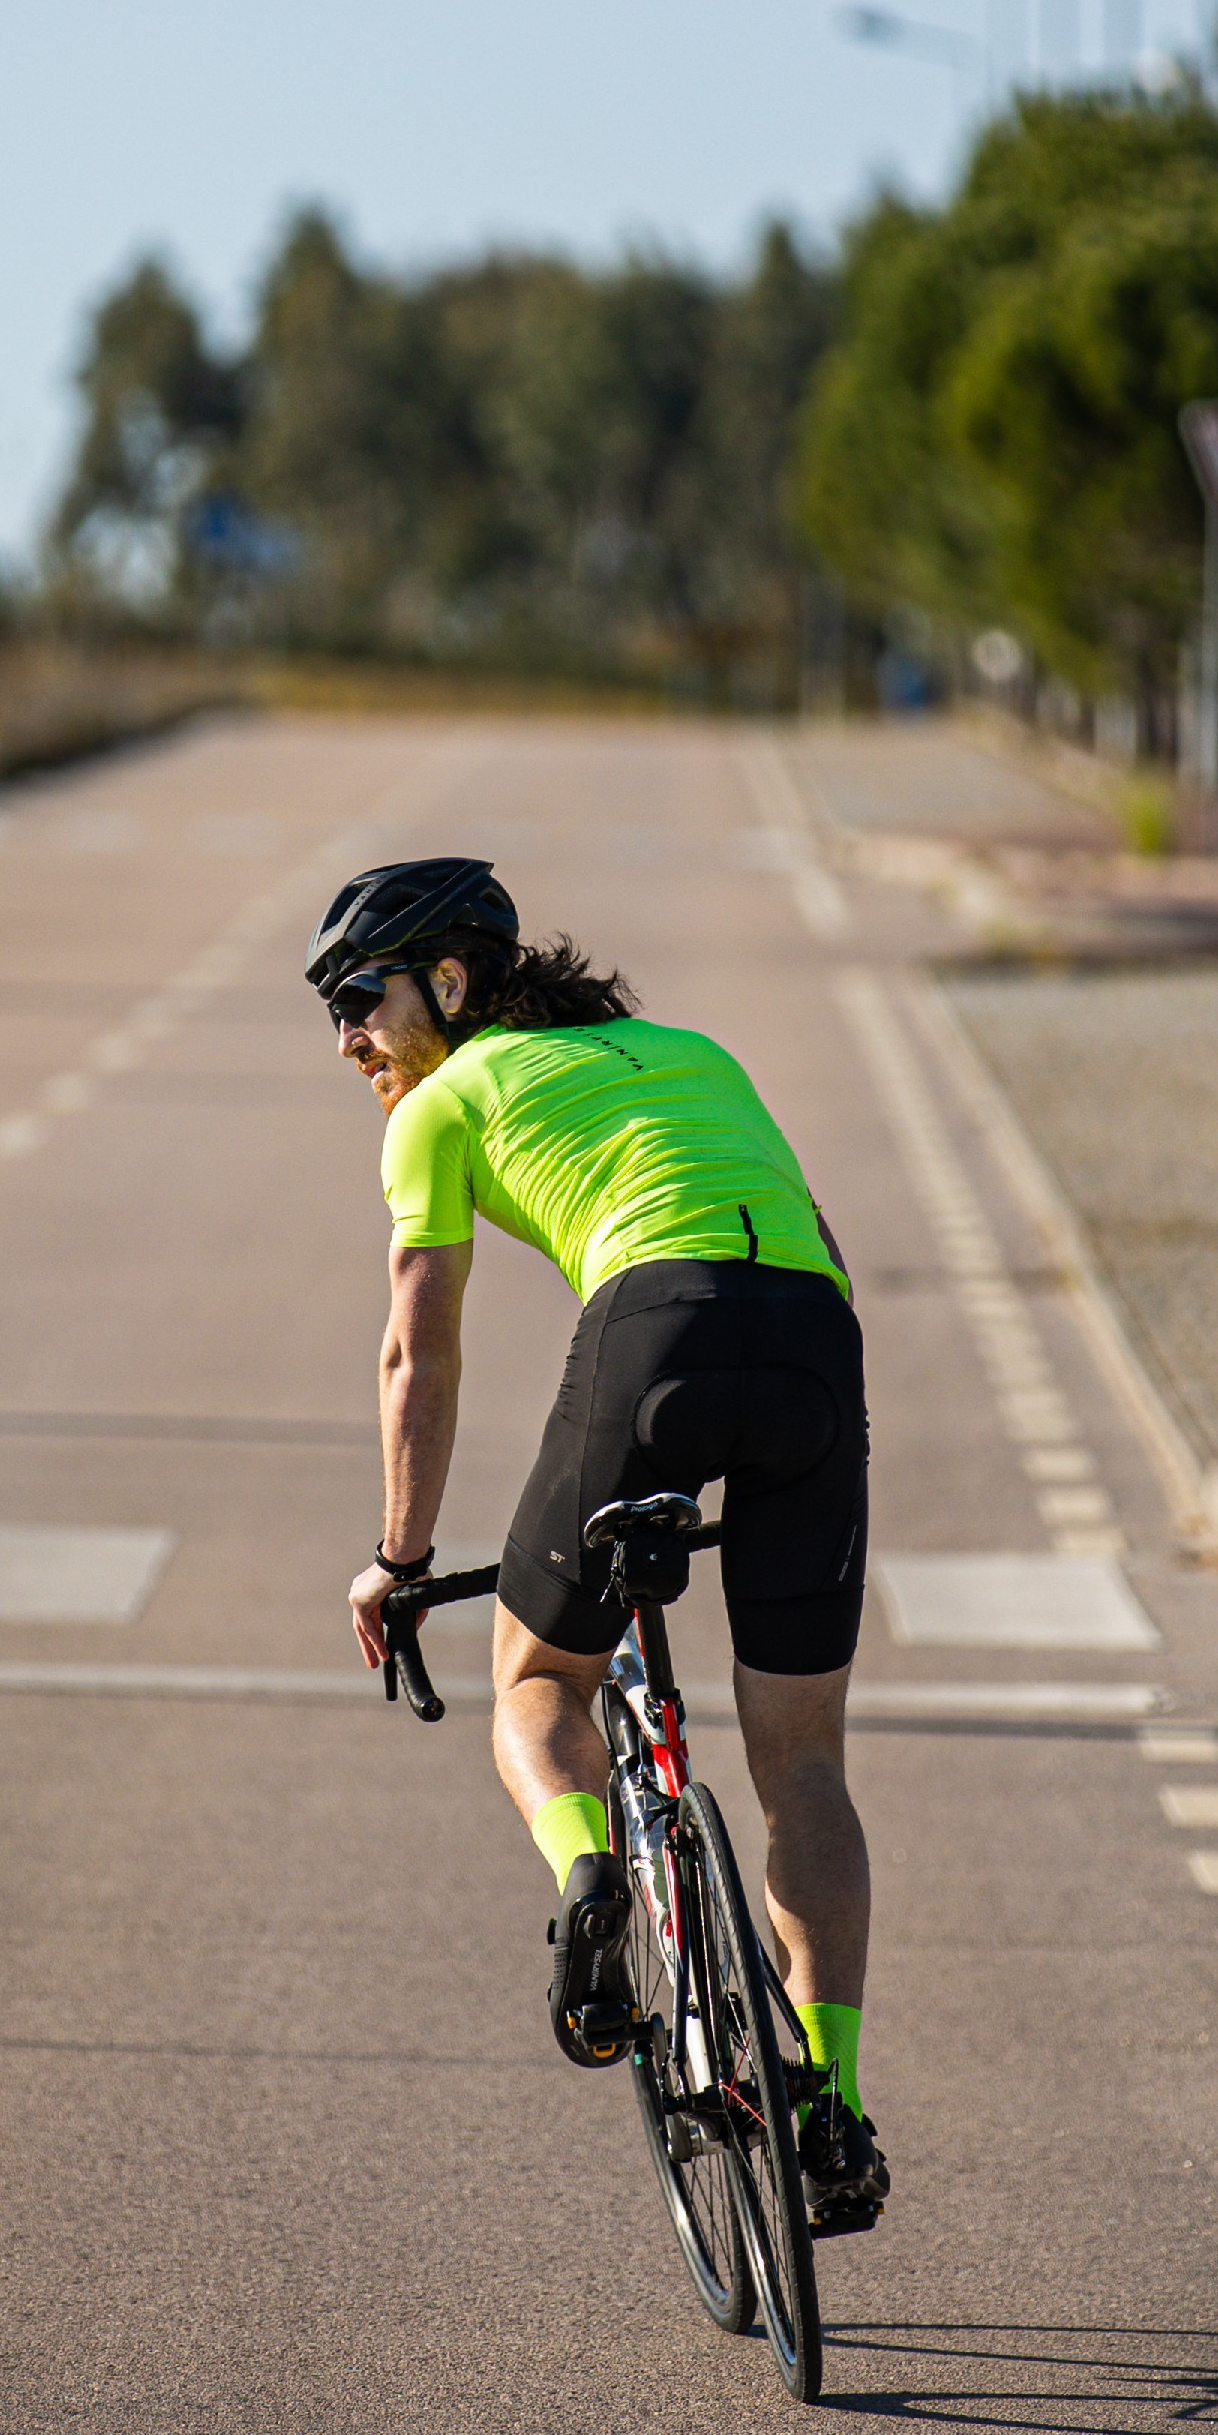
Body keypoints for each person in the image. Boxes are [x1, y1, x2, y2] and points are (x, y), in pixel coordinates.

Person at [308, 856, 888, 2235]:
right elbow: (817, 1245)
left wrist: (399, 1557)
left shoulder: (438, 1105)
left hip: (653, 1325)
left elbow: (416, 1352)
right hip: (812, 1342)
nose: (343, 1038)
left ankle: (589, 1883)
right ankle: (831, 2105)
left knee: (534, 1681)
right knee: (801, 1760)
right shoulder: (691, 1049)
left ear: (447, 984)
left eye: (355, 1000)